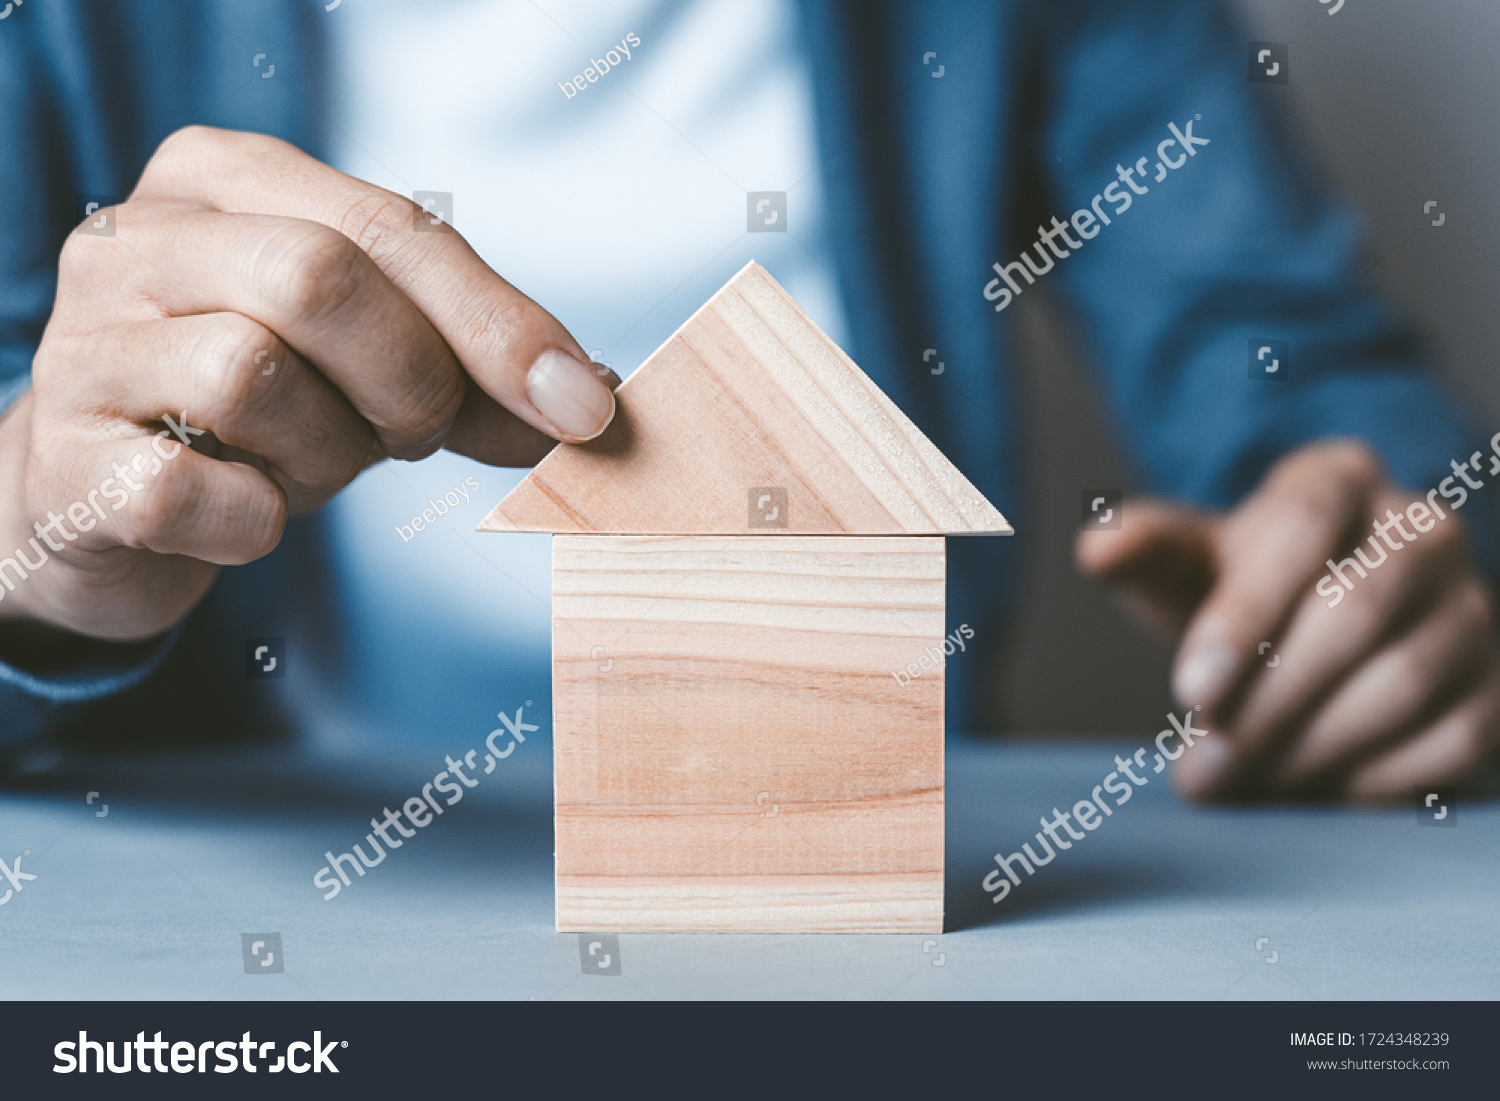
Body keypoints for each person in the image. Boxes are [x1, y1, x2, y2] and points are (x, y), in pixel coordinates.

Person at [1, 0, 1495, 802]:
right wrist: (32, 541)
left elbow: (1300, 369)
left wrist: (1387, 556)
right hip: (241, 880)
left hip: (865, 866)